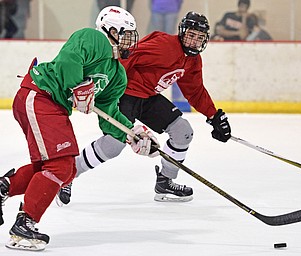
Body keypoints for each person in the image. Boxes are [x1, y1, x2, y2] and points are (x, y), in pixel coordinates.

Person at [0, 6, 159, 251]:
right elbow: (69, 59)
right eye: (126, 34)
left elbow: (109, 115)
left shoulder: (117, 74)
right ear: (111, 30)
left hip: (51, 105)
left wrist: (132, 133)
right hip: (40, 94)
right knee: (61, 165)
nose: (130, 41)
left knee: (55, 167)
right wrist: (78, 86)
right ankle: (24, 226)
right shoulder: (94, 38)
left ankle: (4, 188)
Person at [58, 11, 231, 205]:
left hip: (149, 98)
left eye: (199, 38)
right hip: (125, 93)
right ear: (182, 33)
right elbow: (125, 58)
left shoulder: (193, 60)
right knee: (114, 144)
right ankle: (67, 174)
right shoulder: (164, 46)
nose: (194, 42)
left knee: (183, 132)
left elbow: (195, 90)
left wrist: (213, 116)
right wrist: (103, 87)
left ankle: (165, 182)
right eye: (191, 35)